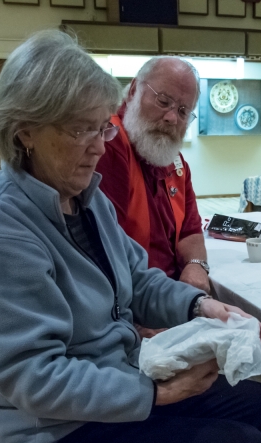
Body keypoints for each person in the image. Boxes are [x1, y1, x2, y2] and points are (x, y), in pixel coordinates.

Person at [0, 30, 261, 443]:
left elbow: (140, 280)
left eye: (102, 127)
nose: (99, 147)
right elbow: (34, 379)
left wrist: (198, 307)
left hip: (106, 397)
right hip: (51, 441)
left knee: (256, 403)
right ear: (24, 131)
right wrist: (154, 392)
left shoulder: (83, 197)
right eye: (82, 129)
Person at [96, 57, 211, 294]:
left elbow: (190, 230)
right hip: (134, 297)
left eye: (183, 111)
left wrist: (196, 264)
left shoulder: (174, 160)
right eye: (163, 101)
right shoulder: (108, 142)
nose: (172, 118)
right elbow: (103, 251)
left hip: (168, 294)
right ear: (134, 90)